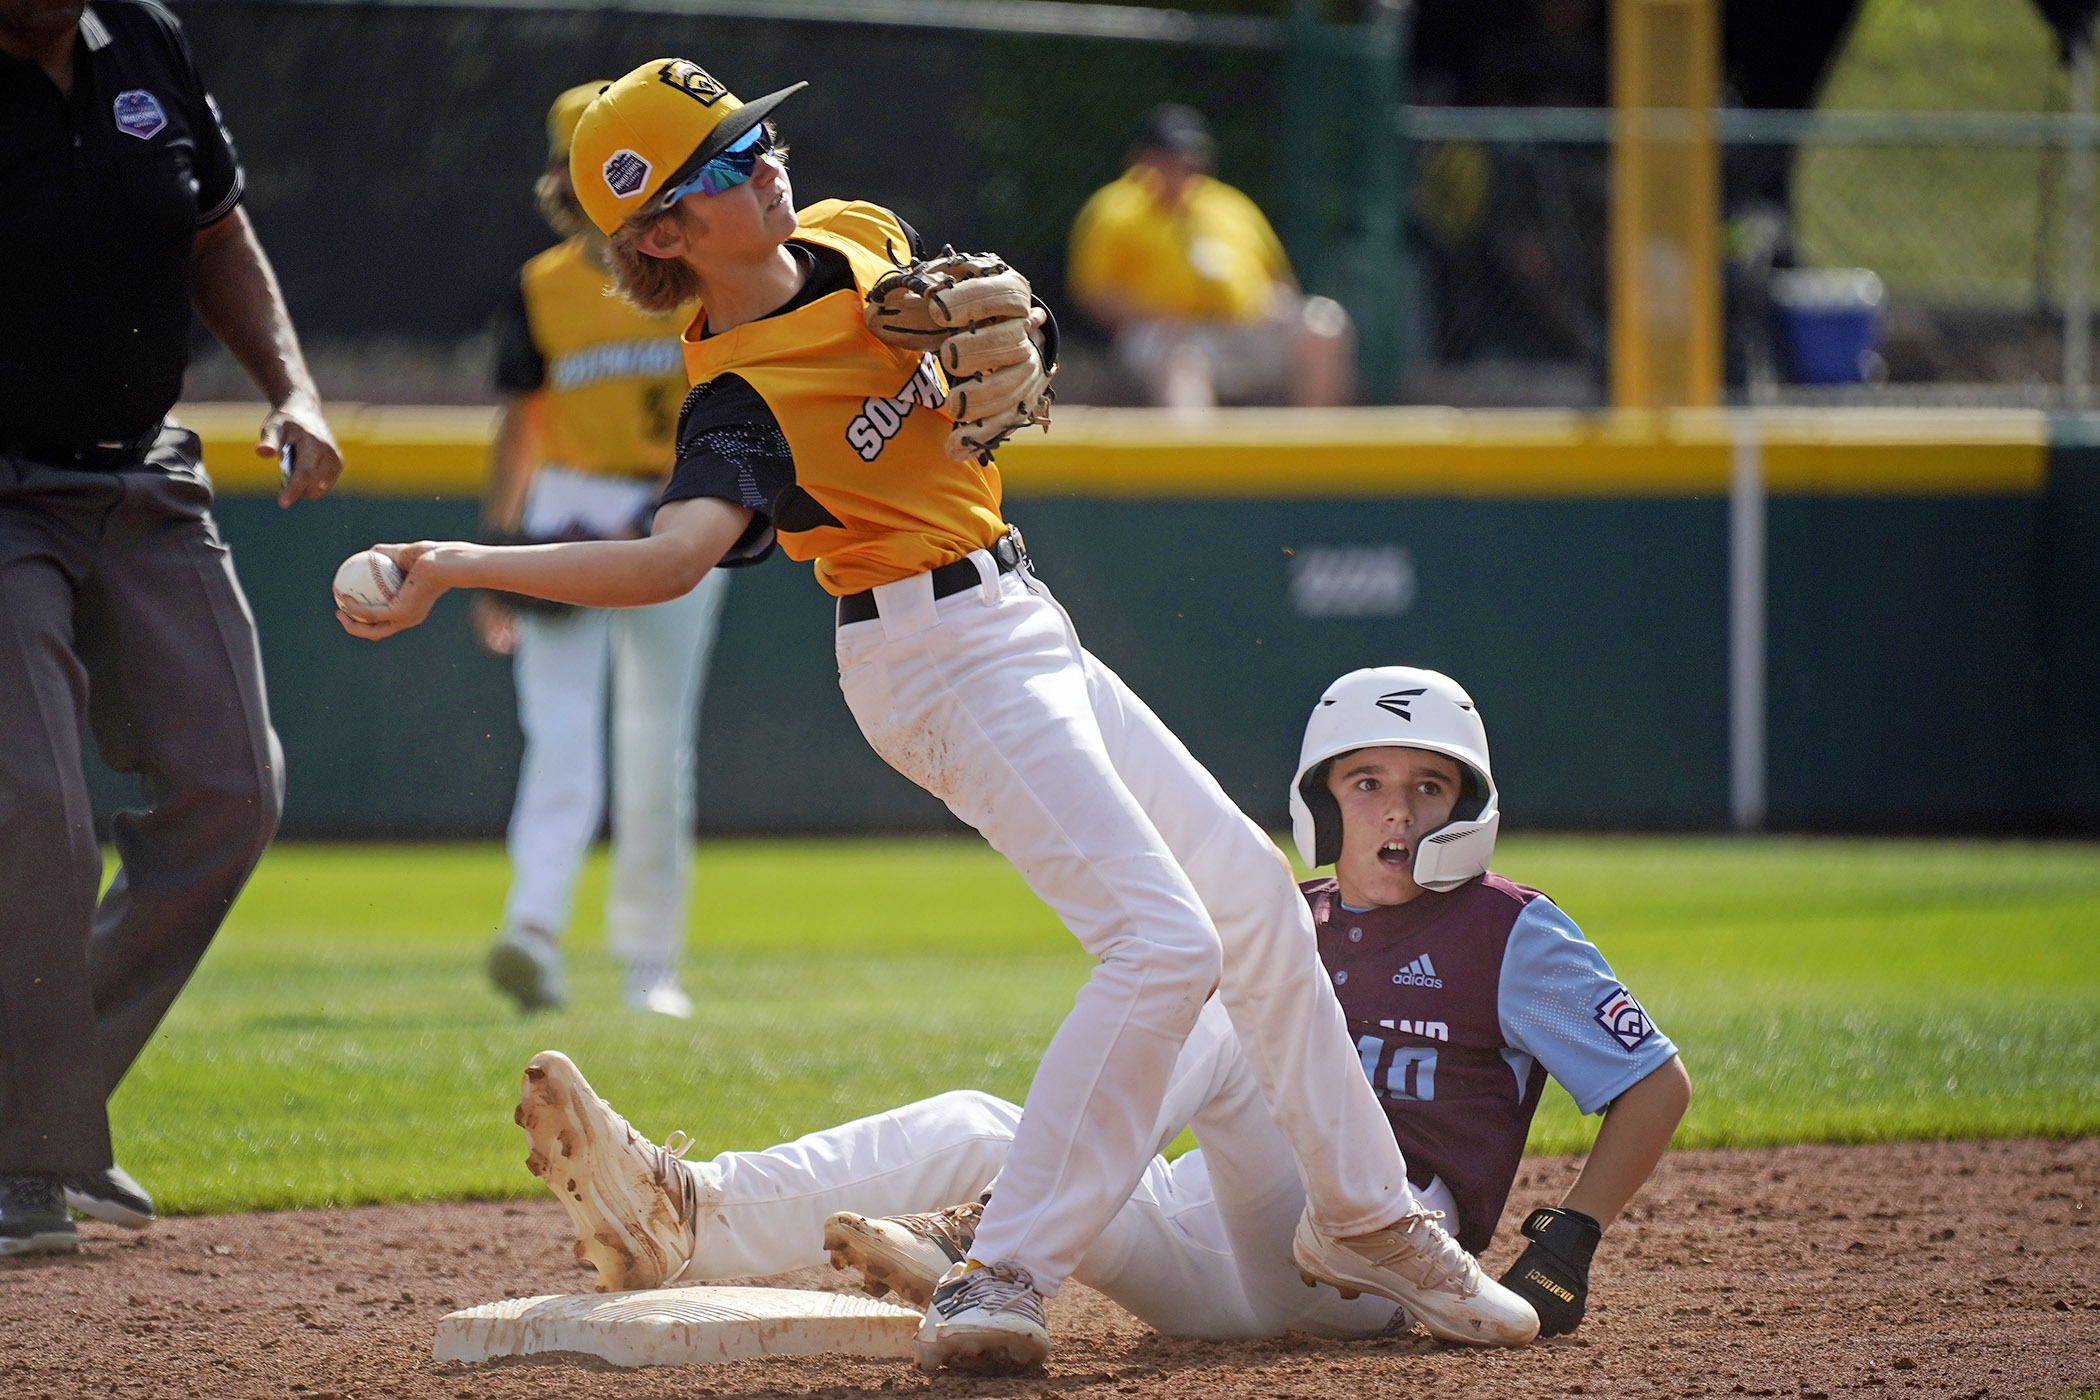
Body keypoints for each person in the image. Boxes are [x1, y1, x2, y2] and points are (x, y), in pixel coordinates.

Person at [336, 58, 1534, 1370]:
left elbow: (1000, 346)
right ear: (663, 232)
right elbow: (672, 558)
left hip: (1021, 614)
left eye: (758, 134)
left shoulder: (858, 237)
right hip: (927, 656)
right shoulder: (734, 395)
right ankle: (1000, 1275)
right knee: (1162, 945)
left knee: (1251, 894)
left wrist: (1028, 345)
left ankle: (1366, 1218)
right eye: (725, 163)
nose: (764, 160)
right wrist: (464, 562)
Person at [509, 666, 1689, 1345]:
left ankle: (992, 1230)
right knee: (984, 1118)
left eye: (1426, 788)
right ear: (1323, 802)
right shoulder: (1296, 906)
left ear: (1466, 807)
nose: (1395, 809)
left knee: (1216, 1004)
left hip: (1372, 1267)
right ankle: (688, 1212)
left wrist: (1573, 1229)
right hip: (1209, 1257)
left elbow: (1653, 1083)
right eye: (1366, 783)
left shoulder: (1507, 925)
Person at [0, 0, 343, 1255]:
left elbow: (216, 227)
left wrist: (291, 385)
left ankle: (27, 1109)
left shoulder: (141, 38)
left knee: (230, 791)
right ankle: (28, 1152)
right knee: (34, 805)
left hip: (141, 475)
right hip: (4, 492)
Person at [476, 82, 730, 1018]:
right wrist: (496, 557)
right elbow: (519, 428)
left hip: (682, 503)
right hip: (568, 507)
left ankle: (648, 964)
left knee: (655, 739)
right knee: (560, 731)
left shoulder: (697, 274)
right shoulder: (542, 286)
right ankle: (533, 932)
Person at [1067, 103, 1353, 409]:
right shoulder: (1114, 208)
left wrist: (1273, 303)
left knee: (1322, 323)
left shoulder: (1230, 204)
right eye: (1169, 156)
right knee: (1180, 356)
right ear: (1140, 158)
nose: (1181, 166)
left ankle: (1311, 449)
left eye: (1188, 157)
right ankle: (1195, 454)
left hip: (1242, 332)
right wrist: (1156, 315)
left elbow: (1278, 280)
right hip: (1160, 335)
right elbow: (1092, 292)